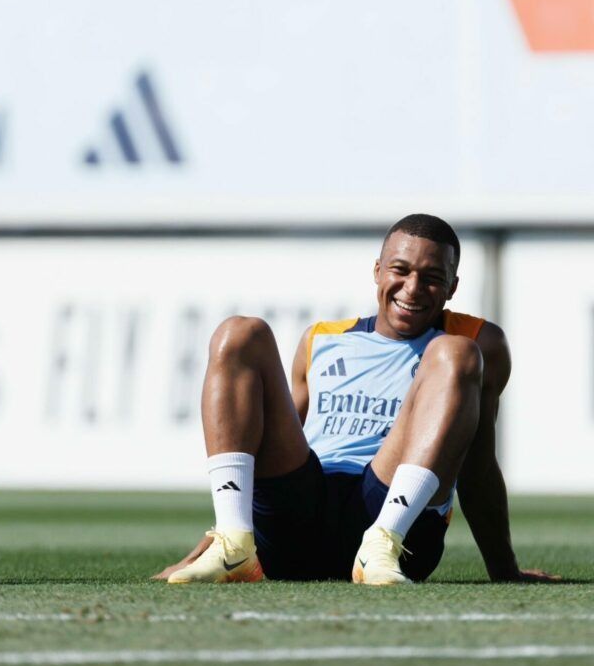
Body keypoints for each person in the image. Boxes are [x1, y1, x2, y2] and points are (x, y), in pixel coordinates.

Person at [154, 214, 557, 585]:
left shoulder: (475, 341)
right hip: (299, 521)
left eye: (432, 277)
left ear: (452, 287)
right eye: (400, 270)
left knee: (457, 353)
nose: (413, 288)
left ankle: (381, 544)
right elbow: (258, 457)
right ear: (377, 271)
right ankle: (232, 547)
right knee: (239, 332)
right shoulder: (322, 338)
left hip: (394, 527)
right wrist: (204, 549)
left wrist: (504, 569)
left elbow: (477, 461)